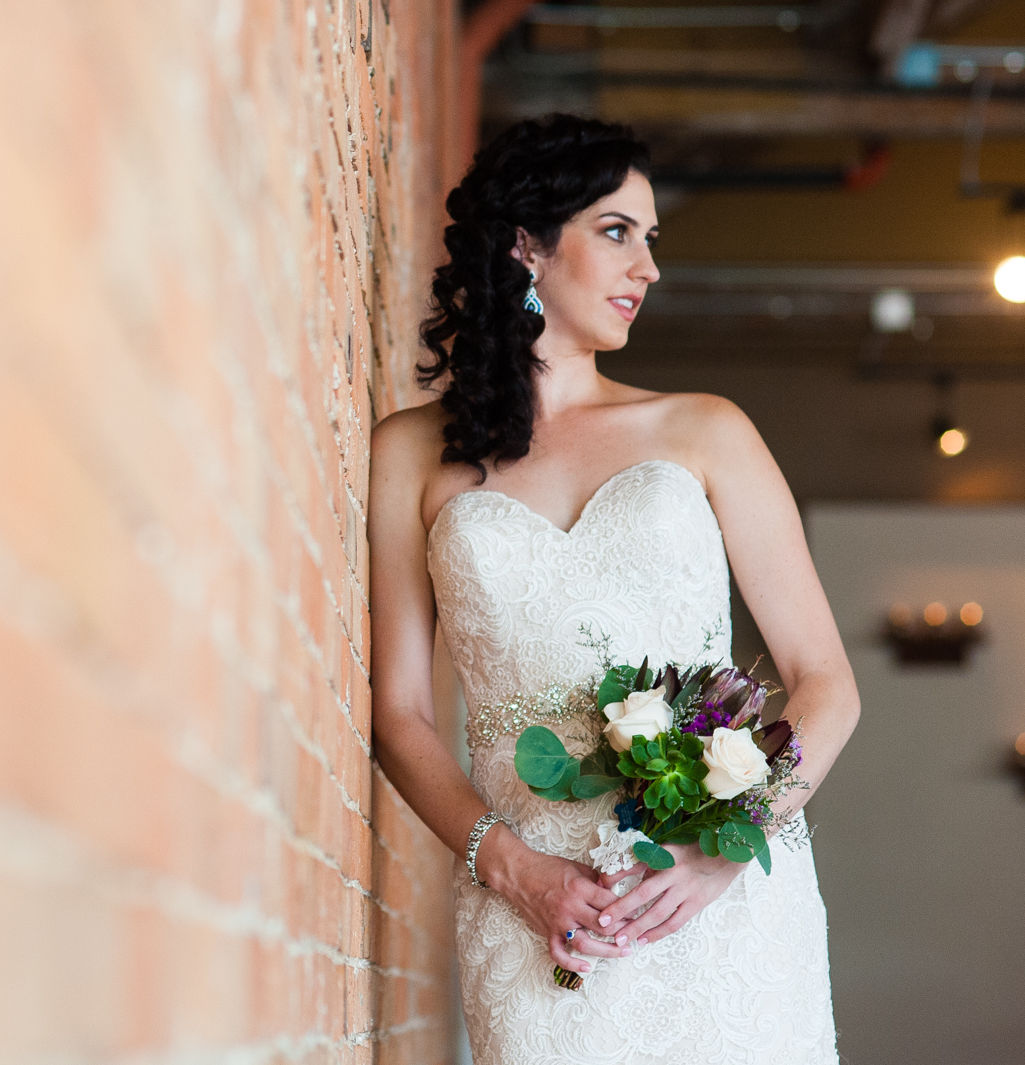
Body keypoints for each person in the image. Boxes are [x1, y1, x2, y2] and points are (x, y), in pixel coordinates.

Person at [368, 115, 860, 1063]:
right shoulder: (409, 453)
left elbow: (827, 684)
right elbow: (399, 712)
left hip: (715, 898)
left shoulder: (706, 430)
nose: (650, 268)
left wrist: (726, 847)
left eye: (651, 239)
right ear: (525, 245)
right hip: (538, 915)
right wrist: (509, 868)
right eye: (616, 231)